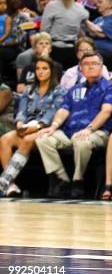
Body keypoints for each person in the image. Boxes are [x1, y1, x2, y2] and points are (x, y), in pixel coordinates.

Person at [36, 51, 112, 199]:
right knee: (42, 138)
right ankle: (62, 179)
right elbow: (63, 109)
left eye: (94, 64)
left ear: (102, 67)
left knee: (81, 141)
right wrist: (54, 126)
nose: (90, 67)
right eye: (86, 64)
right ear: (80, 68)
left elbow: (106, 111)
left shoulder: (110, 88)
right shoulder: (74, 89)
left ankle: (78, 180)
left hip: (98, 132)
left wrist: (89, 129)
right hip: (69, 131)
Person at [0, 56, 65, 197]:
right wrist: (19, 124)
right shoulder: (29, 89)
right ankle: (11, 185)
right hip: (26, 126)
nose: (40, 72)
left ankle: (3, 181)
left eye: (44, 69)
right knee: (5, 138)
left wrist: (36, 127)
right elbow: (22, 111)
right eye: (37, 69)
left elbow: (52, 113)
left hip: (45, 128)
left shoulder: (60, 91)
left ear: (51, 71)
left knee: (28, 139)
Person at [41, 0, 89, 69]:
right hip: (73, 50)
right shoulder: (79, 8)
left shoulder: (51, 6)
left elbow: (44, 30)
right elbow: (86, 15)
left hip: (54, 50)